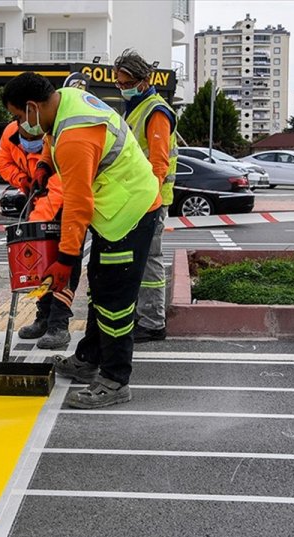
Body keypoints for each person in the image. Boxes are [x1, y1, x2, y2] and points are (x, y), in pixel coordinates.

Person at [0, 72, 161, 409]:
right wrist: (45, 165)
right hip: (116, 207)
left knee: (114, 298)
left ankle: (115, 379)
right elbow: (51, 137)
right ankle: (88, 359)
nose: (19, 125)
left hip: (128, 212)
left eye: (18, 116)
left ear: (32, 107)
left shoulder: (75, 137)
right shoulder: (64, 100)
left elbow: (77, 204)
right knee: (99, 287)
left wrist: (66, 260)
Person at [0, 72, 90, 349]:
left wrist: (35, 225)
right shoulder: (12, 133)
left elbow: (61, 189)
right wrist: (23, 180)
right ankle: (43, 316)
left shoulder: (60, 135)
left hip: (64, 207)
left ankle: (59, 323)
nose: (21, 125)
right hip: (36, 200)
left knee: (65, 264)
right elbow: (2, 163)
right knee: (38, 264)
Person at [114, 49, 177, 343]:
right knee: (140, 259)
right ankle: (144, 315)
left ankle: (153, 322)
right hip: (138, 198)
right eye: (118, 83)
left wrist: (147, 201)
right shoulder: (136, 108)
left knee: (150, 260)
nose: (122, 88)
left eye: (126, 83)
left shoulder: (156, 111)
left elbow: (159, 163)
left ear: (144, 81)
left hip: (150, 200)